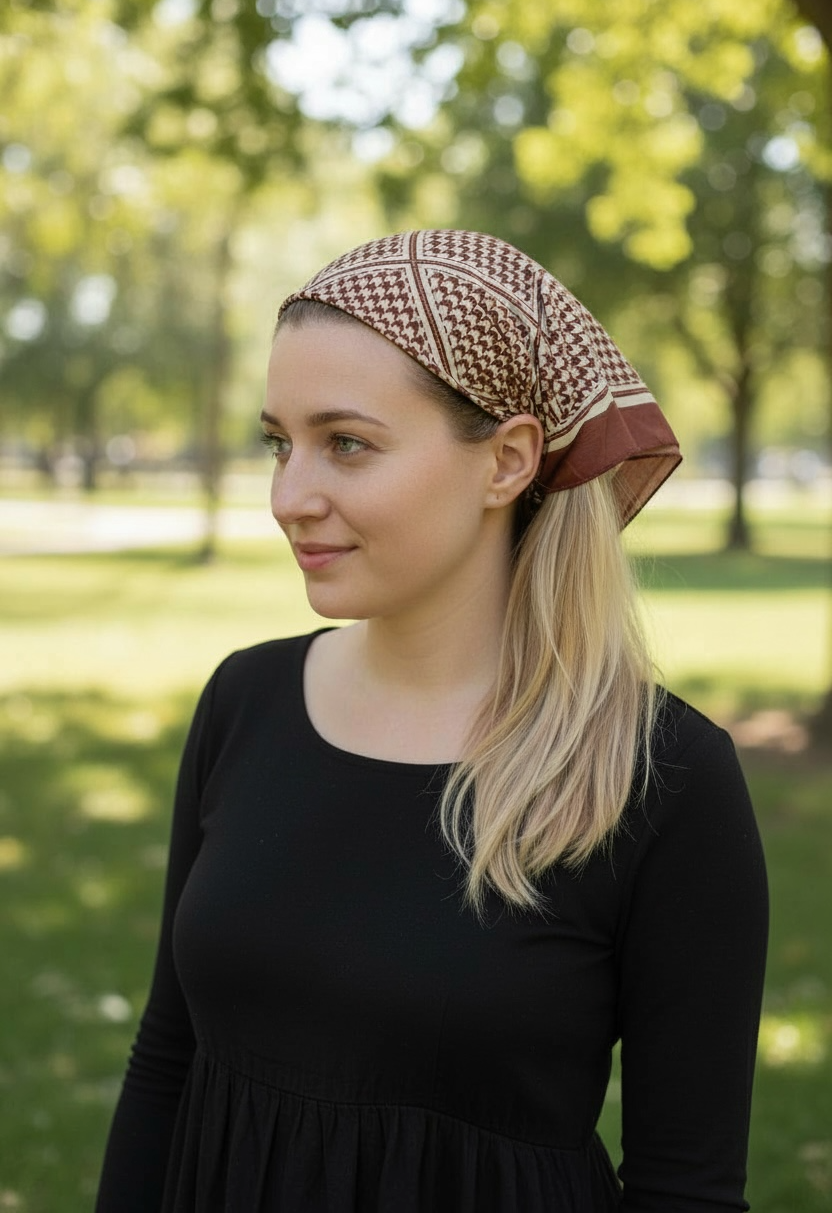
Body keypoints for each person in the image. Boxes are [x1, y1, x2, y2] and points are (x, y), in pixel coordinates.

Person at [96, 229, 768, 1212]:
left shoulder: (662, 776)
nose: (289, 496)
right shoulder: (244, 701)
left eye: (347, 444)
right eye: (279, 443)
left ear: (506, 462)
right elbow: (170, 1056)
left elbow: (686, 1189)